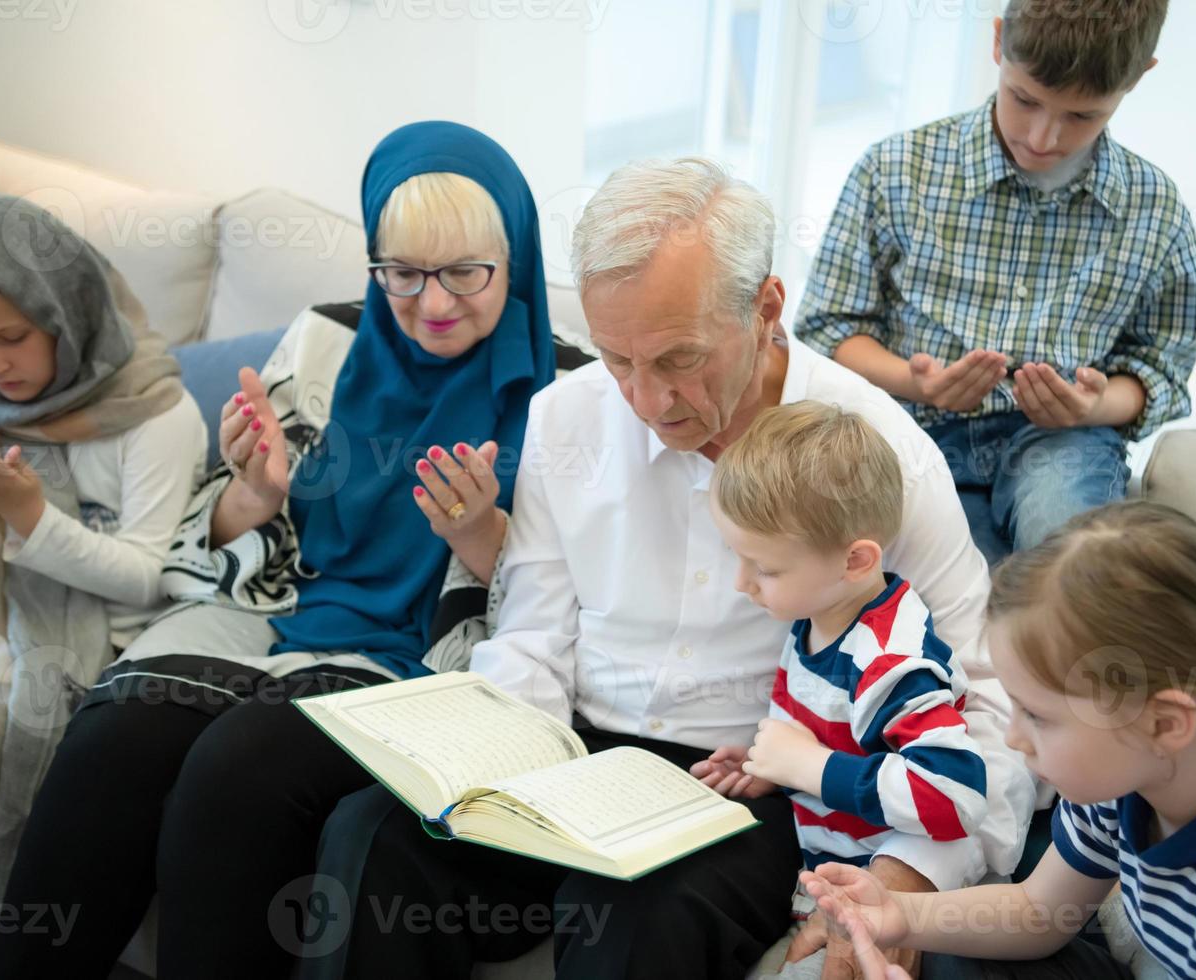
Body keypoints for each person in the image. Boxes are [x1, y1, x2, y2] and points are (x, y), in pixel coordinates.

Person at [305, 157, 1034, 980]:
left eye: (679, 358)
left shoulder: (879, 453)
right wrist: (486, 774)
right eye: (618, 360)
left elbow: (987, 704)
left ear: (765, 310)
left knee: (634, 912)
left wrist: (905, 884)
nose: (647, 401)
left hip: (753, 790)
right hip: (571, 755)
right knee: (373, 837)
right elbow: (533, 633)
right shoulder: (566, 416)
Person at [0, 122, 556, 979]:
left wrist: (479, 536)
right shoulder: (325, 336)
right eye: (401, 273)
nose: (433, 304)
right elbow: (219, 539)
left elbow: (560, 609)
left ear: (514, 262)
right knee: (112, 739)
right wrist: (252, 492)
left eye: (466, 274)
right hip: (277, 611)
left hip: (422, 660)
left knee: (236, 771)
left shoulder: (562, 392)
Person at [802, 501, 1196, 980]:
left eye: (1038, 716)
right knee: (953, 956)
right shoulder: (1128, 773)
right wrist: (898, 914)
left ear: (1165, 723)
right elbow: (1039, 911)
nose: (1011, 737)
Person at [796, 0, 1196, 566]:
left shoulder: (1154, 210)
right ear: (997, 43)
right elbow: (828, 330)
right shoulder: (895, 170)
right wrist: (916, 383)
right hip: (914, 431)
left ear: (1138, 78)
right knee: (946, 584)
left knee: (1064, 570)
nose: (1043, 137)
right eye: (1025, 100)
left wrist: (1090, 408)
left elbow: (1161, 366)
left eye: (1082, 116)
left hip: (1064, 444)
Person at [0, 193, 205, 972]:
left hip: (93, 639)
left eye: (11, 337)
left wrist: (34, 519)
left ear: (66, 312)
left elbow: (146, 580)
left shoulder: (156, 410)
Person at [696, 400, 989, 980]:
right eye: (738, 556)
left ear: (855, 560)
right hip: (824, 881)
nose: (742, 583)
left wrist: (810, 766)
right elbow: (820, 737)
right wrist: (772, 769)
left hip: (885, 904)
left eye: (766, 568)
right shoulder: (818, 610)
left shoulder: (890, 659)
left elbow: (956, 797)